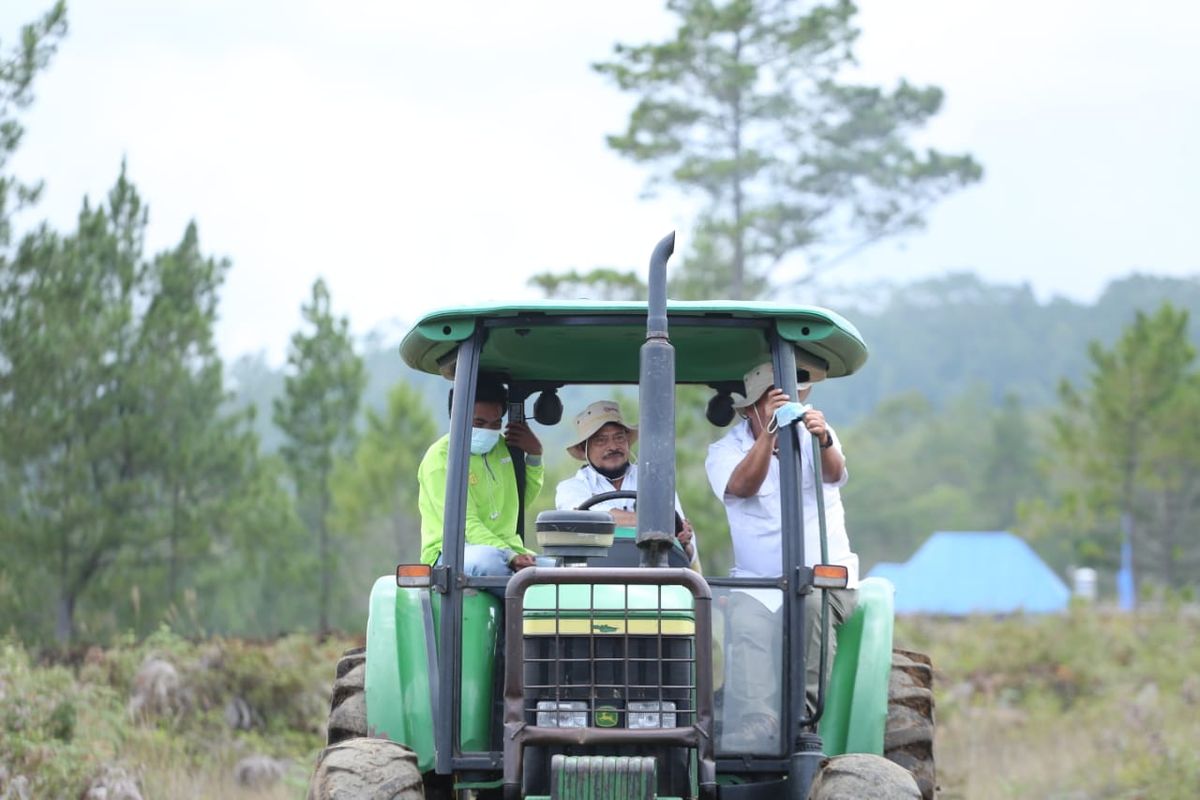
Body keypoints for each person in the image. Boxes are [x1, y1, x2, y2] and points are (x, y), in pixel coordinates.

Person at [705, 362, 859, 752]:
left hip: (825, 580)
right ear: (748, 409)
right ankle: (760, 721)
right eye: (768, 402)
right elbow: (741, 486)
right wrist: (770, 435)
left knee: (810, 608)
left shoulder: (815, 435)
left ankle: (802, 721)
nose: (783, 408)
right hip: (761, 584)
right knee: (745, 617)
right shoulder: (723, 452)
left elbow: (835, 472)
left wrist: (823, 440)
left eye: (786, 400)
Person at [418, 375, 545, 578]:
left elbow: (518, 503)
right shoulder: (441, 458)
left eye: (496, 423)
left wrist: (535, 457)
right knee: (490, 562)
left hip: (507, 548)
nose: (488, 430)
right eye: (480, 422)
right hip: (453, 552)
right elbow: (464, 523)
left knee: (560, 570)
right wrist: (509, 555)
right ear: (457, 417)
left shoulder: (504, 448)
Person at [555, 400, 700, 570]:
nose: (612, 447)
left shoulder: (656, 481)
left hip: (655, 581)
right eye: (601, 440)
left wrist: (684, 541)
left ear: (627, 442)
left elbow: (687, 552)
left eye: (619, 438)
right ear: (584, 448)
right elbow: (589, 519)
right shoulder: (570, 488)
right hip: (593, 582)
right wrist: (659, 523)